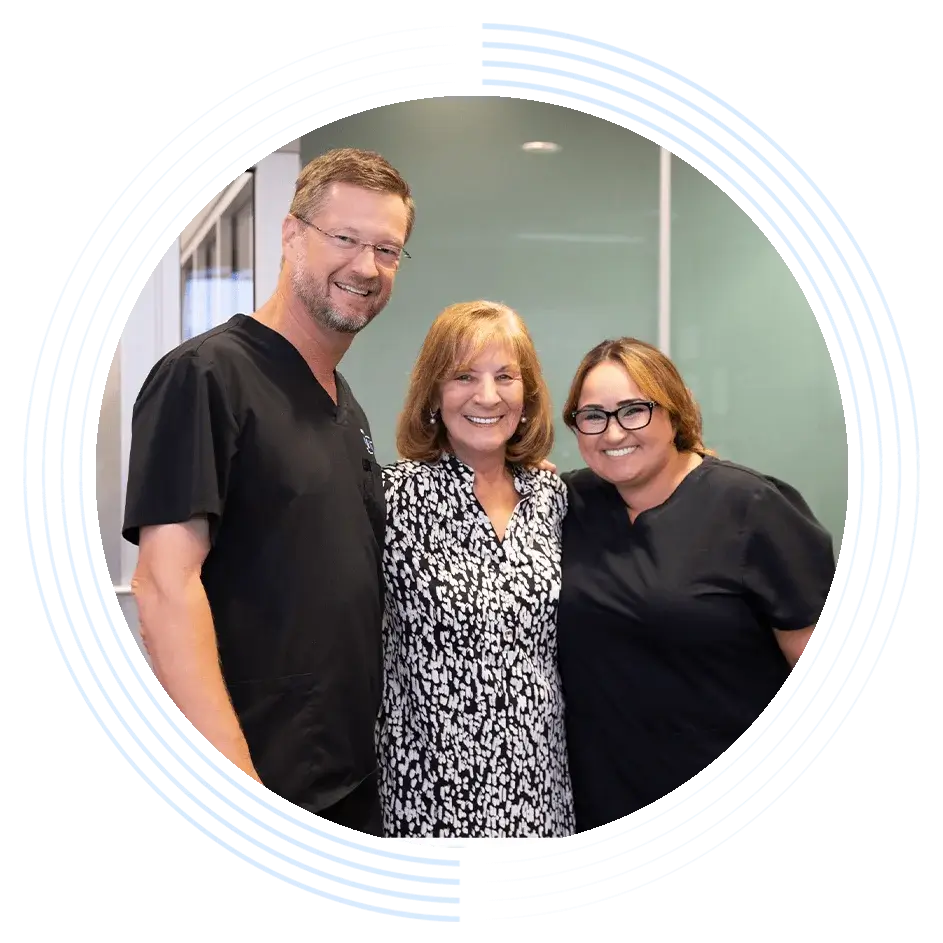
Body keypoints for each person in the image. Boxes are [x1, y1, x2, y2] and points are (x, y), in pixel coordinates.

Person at [121, 148, 415, 838]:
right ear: (291, 236)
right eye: (344, 238)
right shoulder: (206, 376)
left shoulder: (345, 406)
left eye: (388, 249)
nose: (366, 267)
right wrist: (231, 781)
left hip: (346, 781)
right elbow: (163, 585)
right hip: (261, 788)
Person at [555, 337, 836, 840]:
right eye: (592, 416)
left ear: (674, 411)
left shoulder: (751, 506)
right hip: (600, 816)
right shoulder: (570, 503)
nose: (613, 431)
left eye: (634, 411)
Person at [377, 301, 576, 839]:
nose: (487, 396)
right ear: (433, 395)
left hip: (540, 784)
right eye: (464, 376)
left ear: (527, 396)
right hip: (426, 790)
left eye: (505, 377)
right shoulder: (389, 497)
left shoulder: (552, 495)